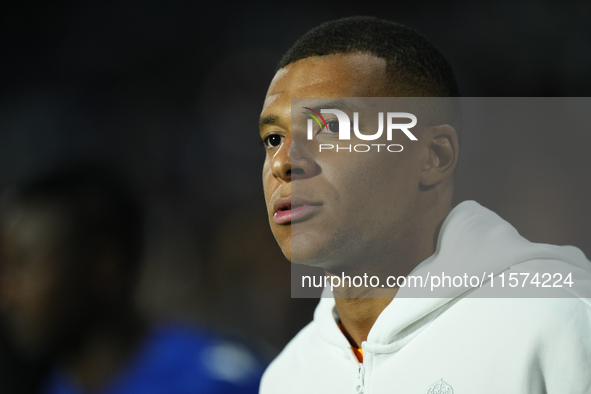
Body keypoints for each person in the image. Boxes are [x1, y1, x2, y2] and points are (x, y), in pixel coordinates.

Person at [257, 16, 591, 393]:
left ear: (433, 155)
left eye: (330, 127)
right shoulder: (287, 378)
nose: (284, 162)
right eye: (273, 138)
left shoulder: (559, 319)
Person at [0, 164, 264, 394]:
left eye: (23, 265)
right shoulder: (59, 386)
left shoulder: (214, 382)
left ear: (104, 265)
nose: (7, 294)